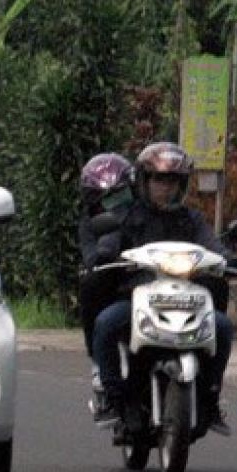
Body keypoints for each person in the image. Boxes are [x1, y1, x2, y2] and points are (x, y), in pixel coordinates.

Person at [90, 142, 234, 436]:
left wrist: (228, 258)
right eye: (159, 180)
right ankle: (113, 398)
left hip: (186, 299)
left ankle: (211, 395)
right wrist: (106, 252)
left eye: (173, 181)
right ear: (145, 181)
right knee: (105, 324)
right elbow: (109, 242)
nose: (166, 188)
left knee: (223, 326)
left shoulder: (192, 219)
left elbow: (212, 244)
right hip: (138, 298)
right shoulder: (128, 216)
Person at [77, 153, 134, 411]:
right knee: (90, 284)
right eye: (103, 199)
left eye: (119, 195)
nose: (112, 204)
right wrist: (105, 251)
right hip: (115, 290)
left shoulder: (146, 213)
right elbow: (92, 258)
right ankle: (100, 363)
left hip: (153, 283)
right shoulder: (91, 225)